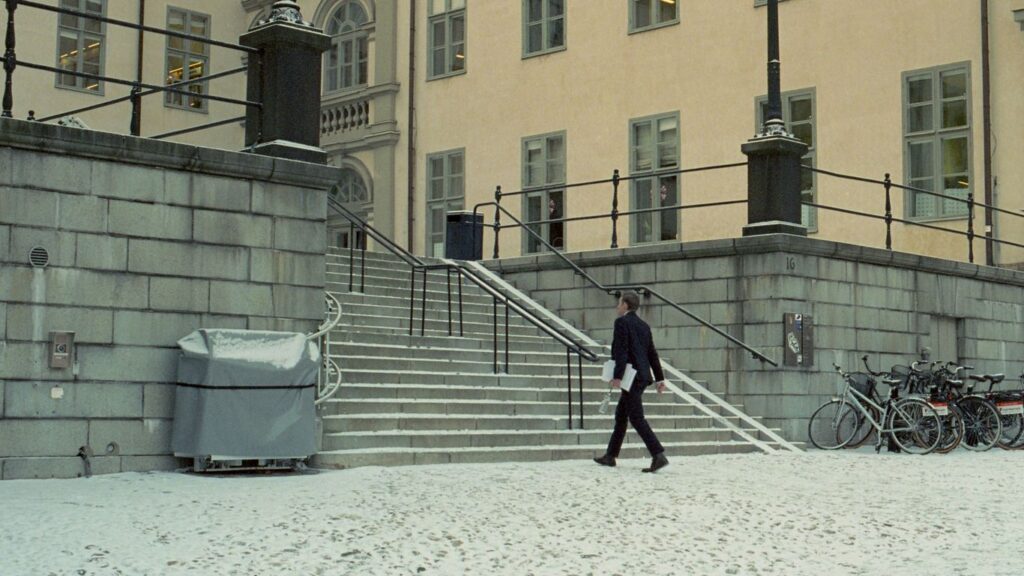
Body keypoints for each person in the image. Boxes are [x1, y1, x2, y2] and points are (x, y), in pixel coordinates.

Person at [594, 291, 670, 473]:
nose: (617, 307)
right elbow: (652, 353)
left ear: (626, 305)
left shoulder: (621, 323)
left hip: (630, 377)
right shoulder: (644, 326)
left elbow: (621, 351)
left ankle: (658, 454)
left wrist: (617, 376)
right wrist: (659, 378)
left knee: (636, 417)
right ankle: (610, 455)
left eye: (619, 303)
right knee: (621, 415)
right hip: (642, 377)